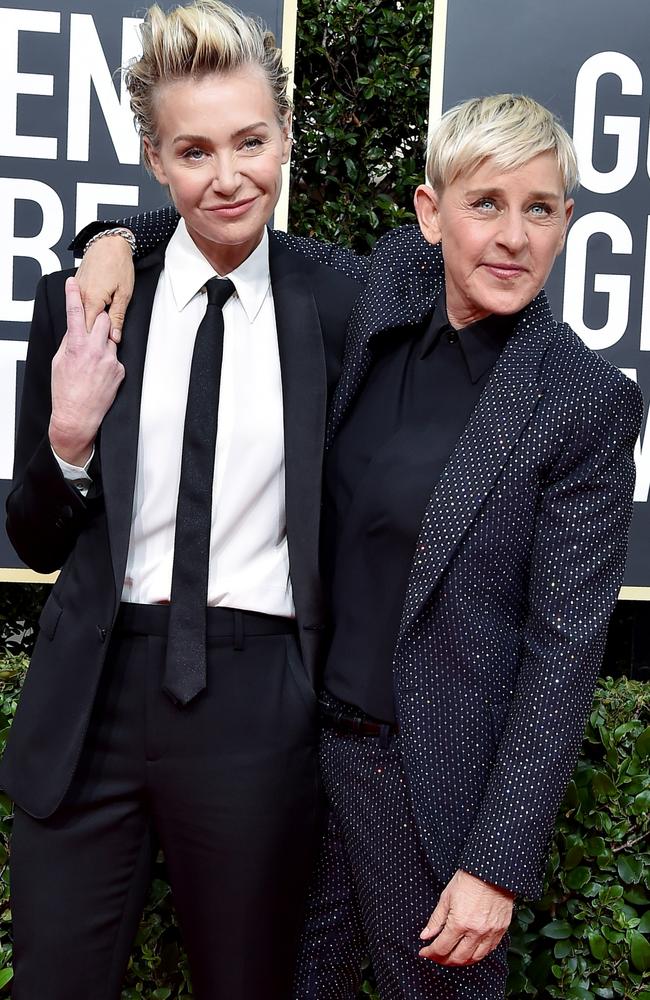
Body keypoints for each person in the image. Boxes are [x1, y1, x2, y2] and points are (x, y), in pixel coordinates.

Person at [73, 96, 643, 999]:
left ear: (567, 222)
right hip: (299, 764)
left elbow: (566, 652)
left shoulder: (581, 399)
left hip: (431, 795)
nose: (513, 236)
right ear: (430, 213)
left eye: (540, 208)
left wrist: (496, 861)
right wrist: (110, 235)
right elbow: (231, 220)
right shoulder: (384, 297)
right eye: (484, 203)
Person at [2, 3, 363, 998]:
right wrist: (67, 441)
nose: (228, 173)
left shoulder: (341, 302)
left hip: (257, 699)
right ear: (157, 159)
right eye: (194, 150)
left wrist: (112, 227)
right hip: (93, 696)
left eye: (250, 140)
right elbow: (33, 536)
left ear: (286, 136)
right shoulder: (85, 301)